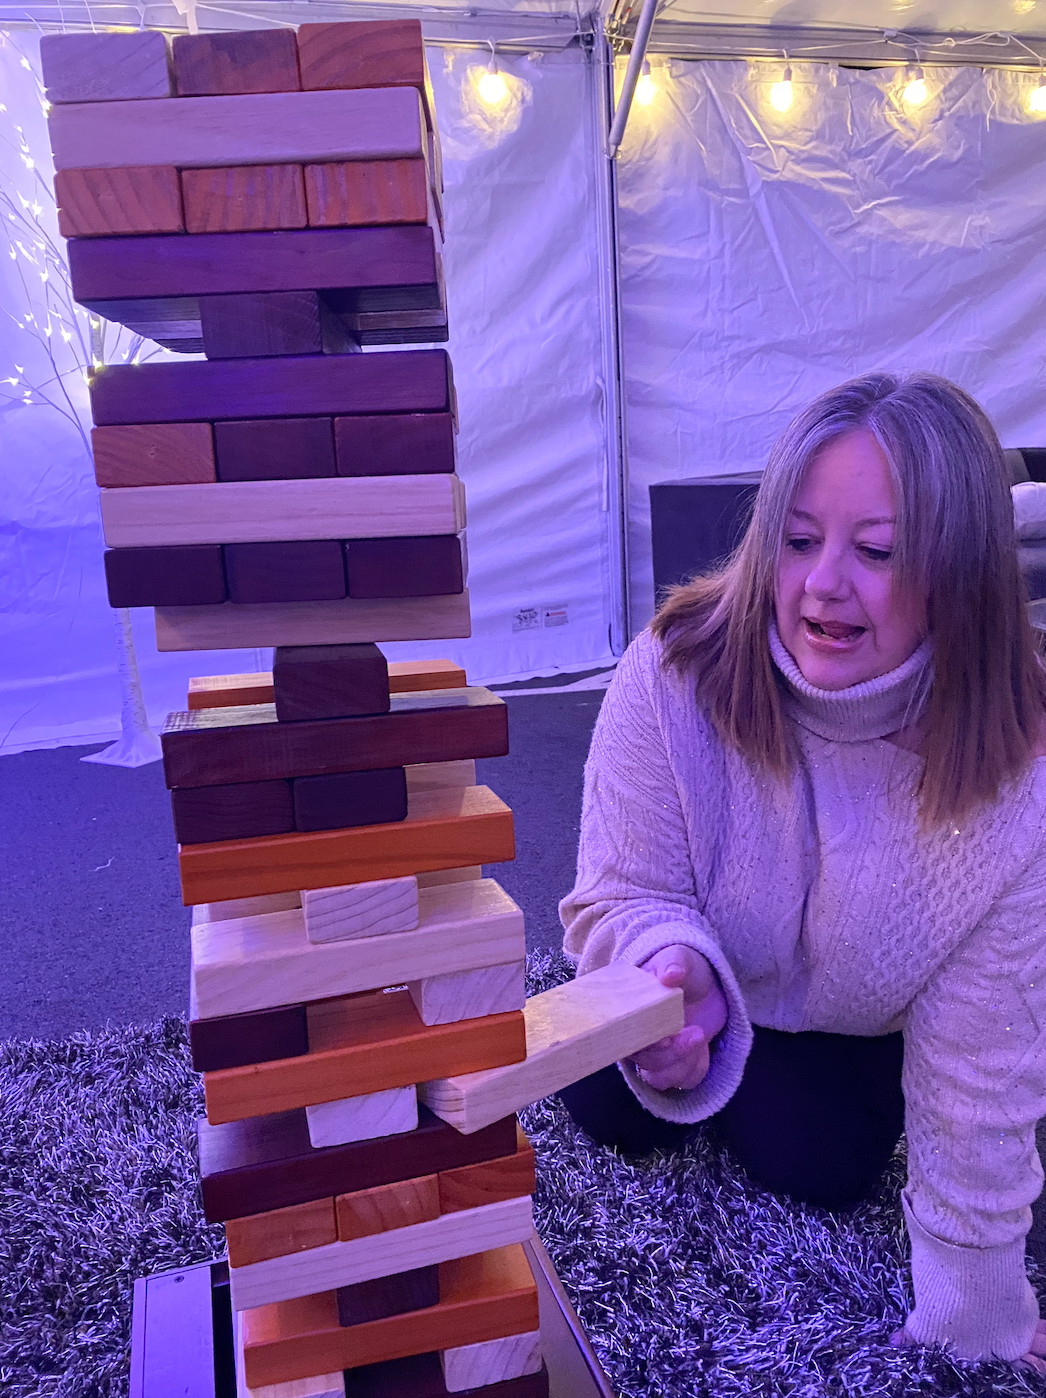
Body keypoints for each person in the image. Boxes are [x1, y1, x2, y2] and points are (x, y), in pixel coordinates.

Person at [558, 372, 1046, 1370]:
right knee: (599, 1097)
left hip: (854, 1018)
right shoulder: (669, 670)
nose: (821, 585)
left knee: (821, 1163)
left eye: (873, 551)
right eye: (795, 539)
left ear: (955, 572)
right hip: (696, 967)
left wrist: (972, 1309)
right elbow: (616, 887)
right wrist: (666, 968)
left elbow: (979, 1068)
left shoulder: (1016, 761)